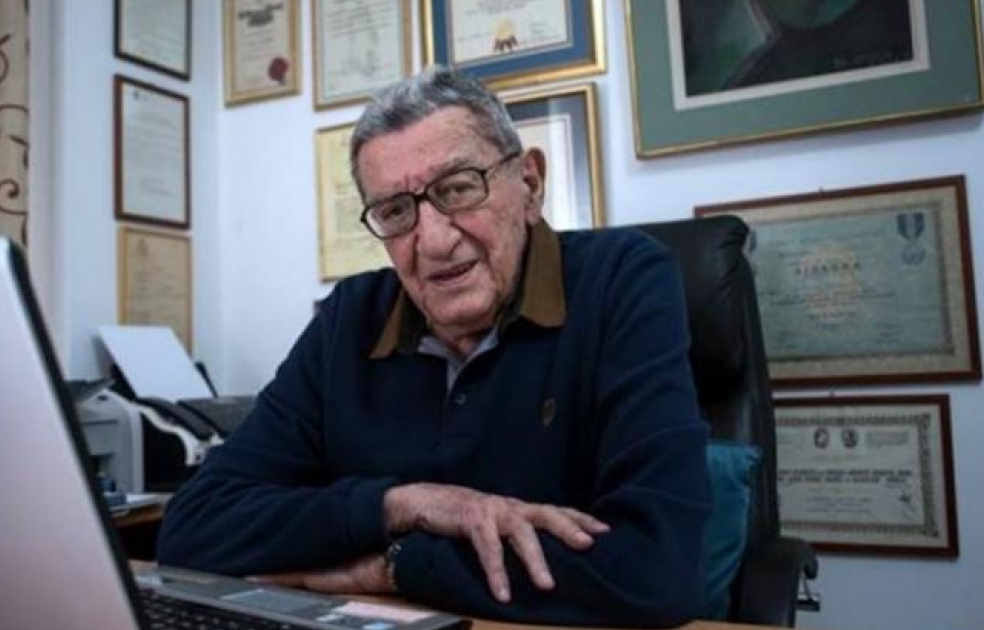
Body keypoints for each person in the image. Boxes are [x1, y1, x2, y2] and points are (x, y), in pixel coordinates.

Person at [158, 66, 711, 627]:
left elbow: (654, 571)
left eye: (459, 188)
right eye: (396, 211)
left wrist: (394, 567)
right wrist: (404, 505)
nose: (434, 241)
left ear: (530, 184)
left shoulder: (623, 280)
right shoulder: (350, 317)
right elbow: (194, 528)